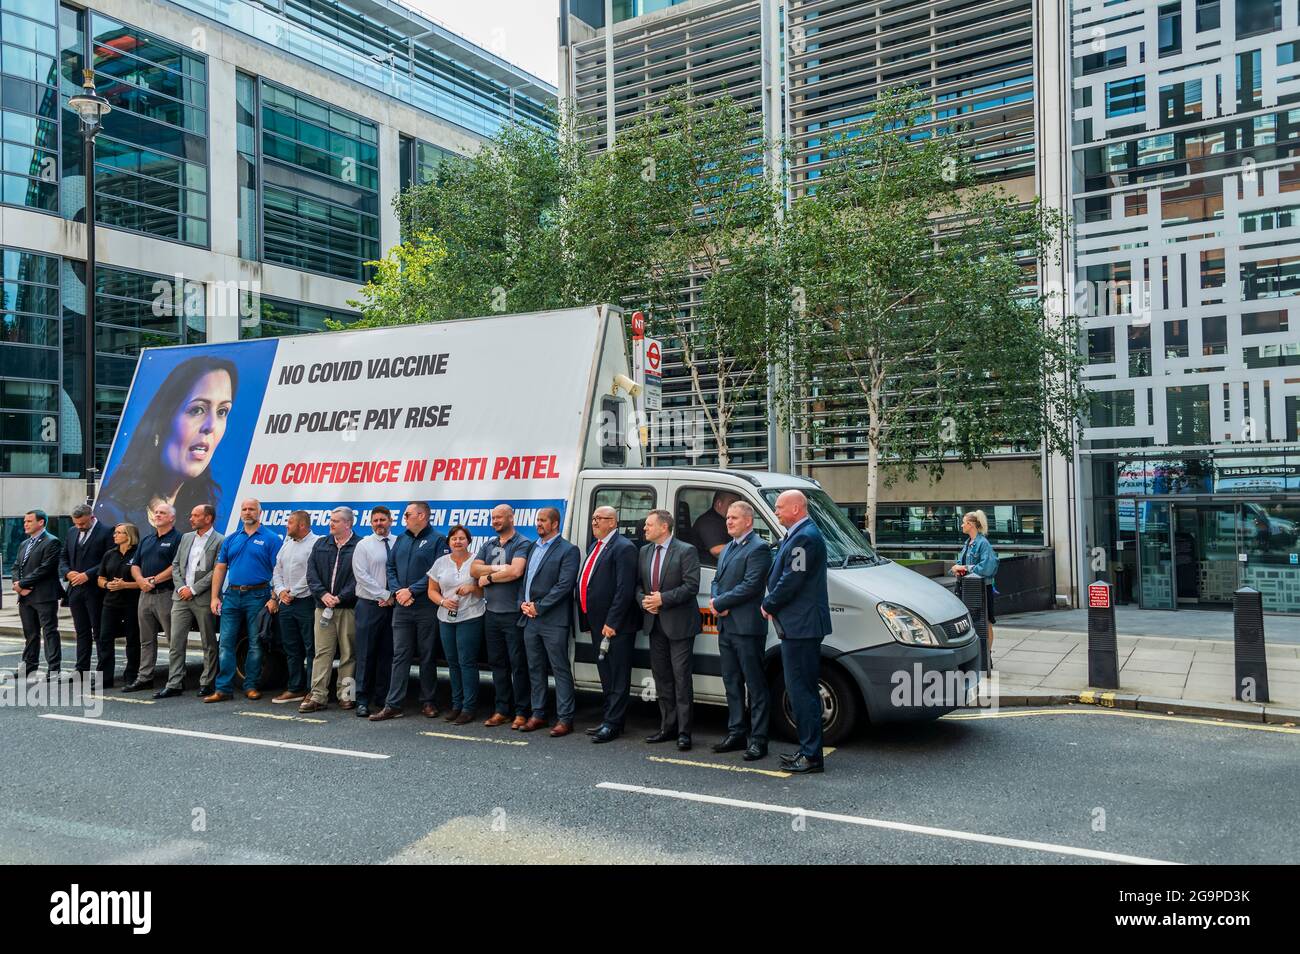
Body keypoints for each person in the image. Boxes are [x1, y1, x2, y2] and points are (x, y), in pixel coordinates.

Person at [95, 356, 237, 533]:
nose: (211, 426)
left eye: (222, 411)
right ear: (160, 424)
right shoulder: (111, 514)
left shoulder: (201, 519)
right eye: (197, 410)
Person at [761, 490, 832, 775]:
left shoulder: (804, 537)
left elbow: (794, 577)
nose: (776, 511)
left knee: (802, 691)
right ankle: (807, 750)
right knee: (800, 689)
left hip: (801, 626)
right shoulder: (799, 534)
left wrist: (769, 602)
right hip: (799, 625)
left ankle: (812, 755)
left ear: (796, 508)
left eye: (779, 507)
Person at [370, 502, 448, 722]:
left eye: (408, 514)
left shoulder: (438, 540)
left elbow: (437, 571)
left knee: (427, 655)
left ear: (421, 515)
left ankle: (428, 701)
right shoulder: (402, 539)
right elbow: (390, 567)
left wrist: (411, 590)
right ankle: (393, 704)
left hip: (425, 606)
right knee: (400, 655)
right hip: (402, 607)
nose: (404, 518)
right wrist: (397, 591)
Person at [709, 500, 774, 761]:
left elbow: (751, 586)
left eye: (734, 518)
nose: (729, 522)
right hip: (726, 627)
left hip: (747, 629)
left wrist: (721, 603)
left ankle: (759, 740)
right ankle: (736, 733)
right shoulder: (728, 549)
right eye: (727, 518)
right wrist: (715, 601)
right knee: (731, 683)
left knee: (755, 686)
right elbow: (716, 580)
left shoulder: (759, 549)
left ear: (749, 521)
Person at [205, 498, 281, 703]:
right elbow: (220, 568)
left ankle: (251, 686)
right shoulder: (231, 539)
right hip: (231, 596)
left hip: (259, 596)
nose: (248, 512)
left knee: (255, 644)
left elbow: (279, 570)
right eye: (244, 509)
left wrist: (274, 597)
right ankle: (223, 689)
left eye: (252, 509)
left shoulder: (271, 539)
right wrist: (214, 596)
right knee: (226, 643)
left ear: (260, 513)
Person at [637, 510, 701, 751]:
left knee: (681, 678)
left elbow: (691, 586)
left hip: (680, 625)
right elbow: (638, 586)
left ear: (664, 527)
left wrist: (663, 599)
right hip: (654, 624)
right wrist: (644, 600)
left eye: (648, 524)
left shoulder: (686, 551)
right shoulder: (644, 552)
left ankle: (684, 733)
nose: (644, 528)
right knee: (662, 678)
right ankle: (667, 727)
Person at [577, 505, 639, 744]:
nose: (594, 522)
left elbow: (624, 590)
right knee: (606, 674)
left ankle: (613, 724)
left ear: (612, 522)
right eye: (593, 518)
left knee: (617, 675)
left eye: (599, 519)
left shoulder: (623, 548)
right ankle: (609, 719)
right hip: (596, 623)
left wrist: (612, 621)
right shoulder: (596, 546)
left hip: (615, 626)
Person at [519, 507, 580, 736]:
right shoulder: (534, 547)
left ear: (555, 524)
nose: (538, 524)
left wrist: (539, 606)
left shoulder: (568, 550)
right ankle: (538, 714)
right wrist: (522, 603)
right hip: (530, 619)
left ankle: (565, 719)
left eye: (543, 520)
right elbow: (526, 580)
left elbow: (564, 586)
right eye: (537, 520)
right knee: (535, 668)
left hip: (553, 620)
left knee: (559, 668)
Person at [470, 504, 532, 729]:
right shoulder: (489, 544)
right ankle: (502, 709)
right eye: (493, 518)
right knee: (497, 664)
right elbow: (474, 571)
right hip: (491, 614)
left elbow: (516, 571)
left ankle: (522, 712)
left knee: (518, 665)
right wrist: (499, 570)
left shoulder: (522, 543)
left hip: (513, 615)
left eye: (499, 517)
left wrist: (491, 578)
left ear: (511, 518)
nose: (495, 521)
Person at [157, 504, 222, 698]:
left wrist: (193, 589)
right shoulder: (186, 538)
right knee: (175, 641)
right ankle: (174, 683)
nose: (191, 519)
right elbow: (176, 565)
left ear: (208, 518)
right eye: (191, 515)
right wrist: (181, 588)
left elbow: (217, 571)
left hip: (202, 598)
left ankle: (207, 682)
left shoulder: (220, 540)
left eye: (196, 515)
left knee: (208, 642)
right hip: (180, 597)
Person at [301, 507, 359, 714]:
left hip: (348, 608)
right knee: (322, 653)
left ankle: (347, 695)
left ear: (348, 524)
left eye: (335, 521)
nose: (330, 524)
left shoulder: (359, 545)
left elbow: (358, 577)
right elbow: (311, 573)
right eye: (331, 520)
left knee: (349, 653)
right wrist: (323, 595)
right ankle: (318, 696)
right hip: (323, 607)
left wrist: (341, 597)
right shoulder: (321, 544)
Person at [428, 525, 484, 724]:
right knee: (452, 662)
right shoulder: (440, 563)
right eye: (454, 538)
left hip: (471, 616)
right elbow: (432, 590)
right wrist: (443, 601)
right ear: (449, 542)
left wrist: (472, 588)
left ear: (469, 541)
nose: (458, 541)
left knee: (466, 661)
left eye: (462, 538)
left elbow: (485, 591)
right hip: (446, 617)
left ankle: (469, 708)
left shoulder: (477, 561)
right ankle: (456, 705)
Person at [126, 503, 182, 692]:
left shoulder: (178, 539)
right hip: (145, 595)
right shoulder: (147, 539)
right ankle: (145, 678)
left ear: (171, 518)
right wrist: (141, 580)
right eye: (156, 512)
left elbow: (177, 566)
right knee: (146, 640)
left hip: (165, 594)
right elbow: (135, 565)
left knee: (172, 640)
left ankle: (175, 681)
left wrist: (154, 580)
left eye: (162, 513)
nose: (157, 515)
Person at [268, 510, 321, 704]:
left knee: (311, 648)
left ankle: (311, 689)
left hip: (306, 602)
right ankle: (295, 688)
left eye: (290, 523)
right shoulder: (287, 544)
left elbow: (313, 574)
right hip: (286, 603)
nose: (286, 526)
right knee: (291, 647)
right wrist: (281, 591)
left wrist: (292, 593)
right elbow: (277, 570)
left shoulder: (316, 543)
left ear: (302, 525)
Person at [352, 506, 396, 719]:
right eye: (375, 520)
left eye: (383, 520)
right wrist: (384, 595)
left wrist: (394, 596)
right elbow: (361, 575)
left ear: (390, 521)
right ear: (371, 523)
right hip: (369, 606)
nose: (379, 523)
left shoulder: (399, 543)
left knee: (387, 654)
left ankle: (382, 698)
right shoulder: (363, 545)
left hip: (394, 607)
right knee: (366, 654)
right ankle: (362, 699)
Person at [60, 504, 112, 681]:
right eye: (76, 523)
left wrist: (87, 575)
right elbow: (63, 557)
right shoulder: (72, 532)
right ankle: (81, 670)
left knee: (99, 633)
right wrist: (68, 572)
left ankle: (102, 673)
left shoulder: (107, 532)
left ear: (92, 516)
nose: (79, 527)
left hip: (96, 591)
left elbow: (108, 561)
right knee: (81, 632)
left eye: (82, 523)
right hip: (75, 590)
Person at [13, 509, 62, 678]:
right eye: (24, 521)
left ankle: (54, 670)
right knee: (30, 634)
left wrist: (24, 583)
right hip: (25, 597)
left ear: (40, 522)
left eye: (29, 521)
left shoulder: (52, 542)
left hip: (44, 595)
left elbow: (45, 569)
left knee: (49, 632)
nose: (25, 524)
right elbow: (16, 566)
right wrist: (17, 585)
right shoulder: (24, 544)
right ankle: (29, 667)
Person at [97, 523, 142, 689]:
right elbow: (100, 578)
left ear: (129, 535)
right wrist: (108, 585)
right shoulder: (110, 554)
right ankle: (105, 678)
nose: (114, 535)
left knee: (132, 639)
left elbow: (143, 582)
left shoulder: (138, 553)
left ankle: (131, 675)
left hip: (132, 602)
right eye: (115, 532)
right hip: (110, 602)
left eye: (119, 533)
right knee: (105, 639)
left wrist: (125, 585)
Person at [952, 509, 1000, 651]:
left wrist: (965, 568)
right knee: (971, 621)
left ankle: (987, 656)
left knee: (986, 621)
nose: (961, 526)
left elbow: (988, 567)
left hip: (982, 589)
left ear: (971, 524)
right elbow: (961, 563)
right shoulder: (968, 543)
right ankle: (978, 653)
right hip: (967, 588)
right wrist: (957, 568)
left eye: (963, 523)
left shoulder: (982, 543)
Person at [691, 490, 741, 562]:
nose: (737, 508)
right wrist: (746, 548)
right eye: (732, 503)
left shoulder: (725, 519)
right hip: (709, 568)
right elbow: (717, 550)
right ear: (719, 504)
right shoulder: (708, 521)